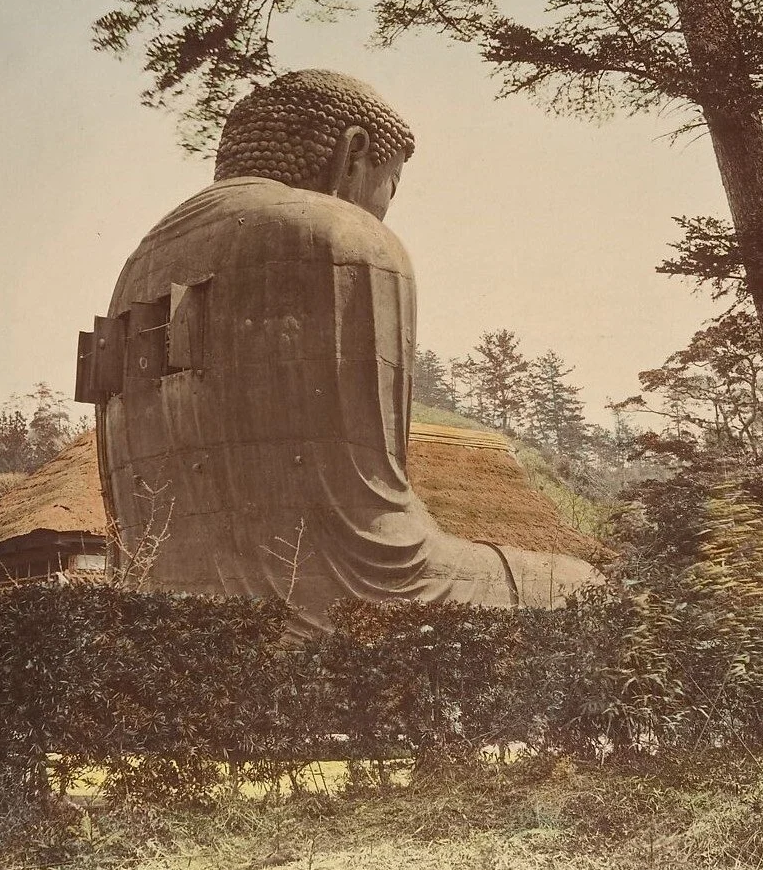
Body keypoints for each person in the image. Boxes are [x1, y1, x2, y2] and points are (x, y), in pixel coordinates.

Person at [95, 69, 597, 634]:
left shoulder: (139, 264)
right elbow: (381, 526)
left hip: (168, 613)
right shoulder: (343, 237)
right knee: (577, 583)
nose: (384, 207)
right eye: (390, 185)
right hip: (345, 591)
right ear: (352, 153)